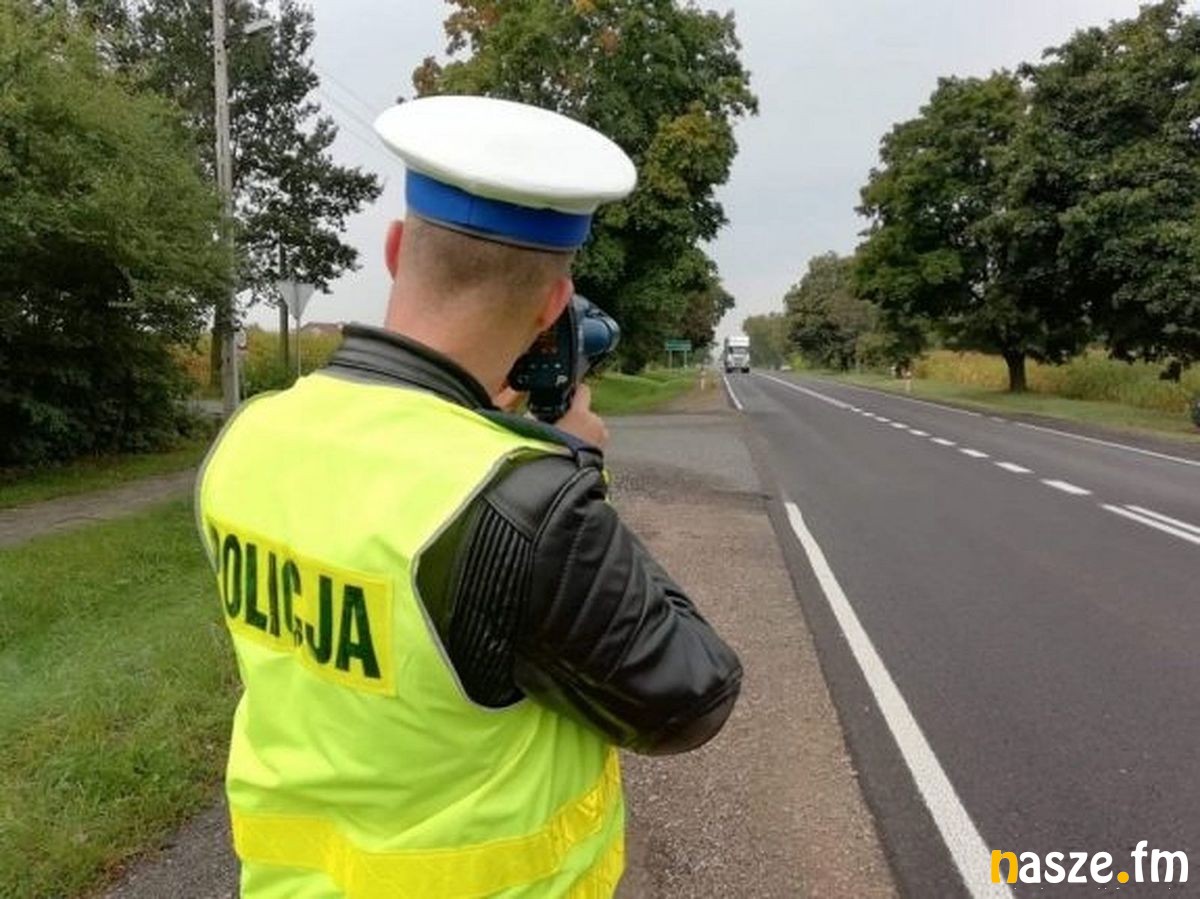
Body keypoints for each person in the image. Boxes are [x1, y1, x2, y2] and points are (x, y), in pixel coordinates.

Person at [196, 95, 742, 899]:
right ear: (553, 305)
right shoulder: (522, 498)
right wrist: (574, 464)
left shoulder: (247, 439)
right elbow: (692, 695)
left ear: (394, 250)